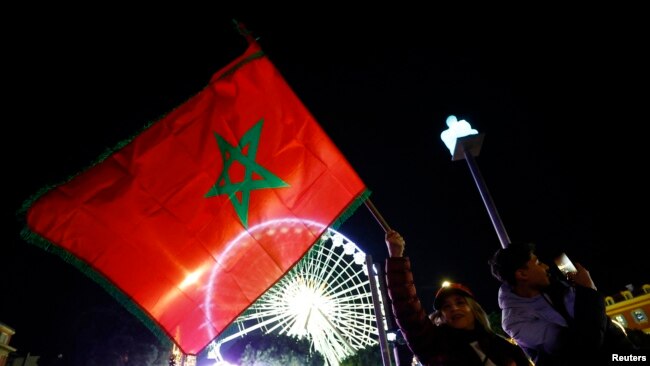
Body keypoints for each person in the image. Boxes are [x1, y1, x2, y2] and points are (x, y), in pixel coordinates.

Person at [384, 230, 531, 366]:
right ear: (442, 316)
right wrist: (396, 256)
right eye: (446, 307)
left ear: (474, 309)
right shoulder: (435, 345)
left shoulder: (503, 347)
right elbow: (407, 309)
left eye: (460, 302)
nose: (454, 308)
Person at [488, 242, 637, 365]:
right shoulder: (516, 321)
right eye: (538, 263)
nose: (546, 267)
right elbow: (583, 349)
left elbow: (603, 324)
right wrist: (588, 291)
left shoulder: (557, 286)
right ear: (522, 274)